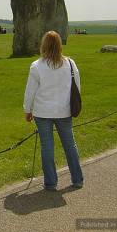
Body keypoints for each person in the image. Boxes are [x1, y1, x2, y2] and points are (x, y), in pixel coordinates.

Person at [23, 31, 84, 191]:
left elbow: (30, 91)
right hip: (64, 110)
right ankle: (77, 179)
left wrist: (27, 109)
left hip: (43, 112)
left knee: (47, 146)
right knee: (70, 144)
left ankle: (51, 182)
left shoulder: (37, 66)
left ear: (44, 45)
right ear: (59, 45)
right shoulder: (70, 63)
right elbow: (77, 87)